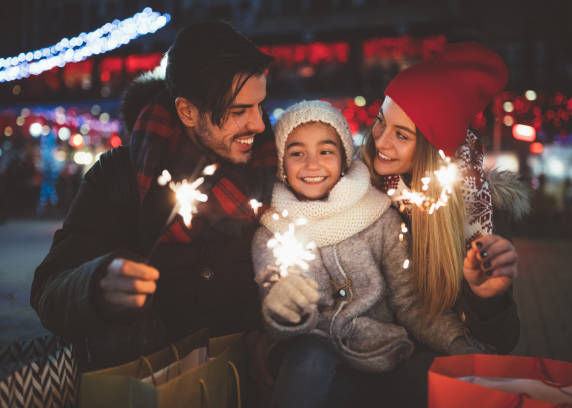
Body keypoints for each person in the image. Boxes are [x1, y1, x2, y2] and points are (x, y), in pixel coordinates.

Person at [30, 21, 277, 370]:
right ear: (187, 111)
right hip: (149, 384)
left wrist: (274, 334)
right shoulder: (119, 176)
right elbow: (48, 290)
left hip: (246, 384)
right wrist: (97, 283)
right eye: (239, 111)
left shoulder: (277, 169)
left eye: (259, 105)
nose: (259, 124)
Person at [252, 100, 482, 408]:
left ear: (345, 158)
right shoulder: (273, 231)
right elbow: (275, 290)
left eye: (325, 151)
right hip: (309, 363)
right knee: (310, 355)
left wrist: (457, 342)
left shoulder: (380, 218)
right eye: (296, 153)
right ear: (282, 162)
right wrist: (283, 306)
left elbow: (410, 302)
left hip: (379, 358)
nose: (311, 164)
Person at [360, 42, 530, 406]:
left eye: (401, 135)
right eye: (380, 121)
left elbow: (501, 342)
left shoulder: (480, 216)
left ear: (432, 150)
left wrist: (488, 299)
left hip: (427, 380)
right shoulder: (355, 189)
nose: (380, 142)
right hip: (358, 362)